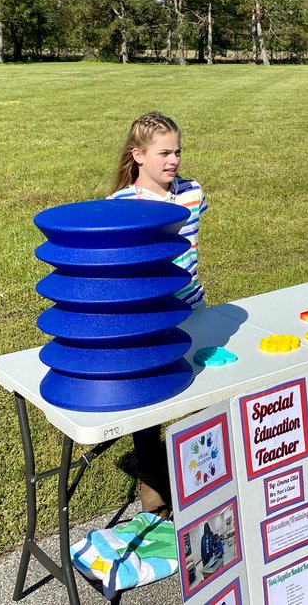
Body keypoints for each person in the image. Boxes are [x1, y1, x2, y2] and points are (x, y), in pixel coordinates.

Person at [108, 111, 209, 518]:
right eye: (164, 153)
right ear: (138, 155)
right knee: (150, 403)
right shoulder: (120, 206)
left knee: (207, 390)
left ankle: (206, 478)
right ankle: (154, 489)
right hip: (148, 319)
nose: (174, 161)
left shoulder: (192, 192)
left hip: (195, 308)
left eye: (178, 152)